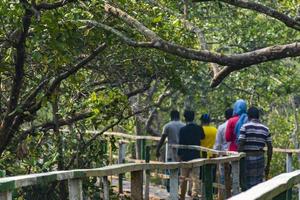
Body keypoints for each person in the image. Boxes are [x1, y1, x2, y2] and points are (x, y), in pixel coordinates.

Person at [238, 107, 273, 189]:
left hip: (247, 158)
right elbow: (270, 148)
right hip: (260, 159)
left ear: (248, 116)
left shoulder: (245, 127)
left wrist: (239, 160)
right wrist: (268, 164)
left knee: (246, 184)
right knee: (258, 185)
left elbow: (240, 144)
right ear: (258, 116)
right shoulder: (265, 129)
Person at [178, 110, 205, 200]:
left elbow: (181, 144)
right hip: (196, 155)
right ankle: (195, 195)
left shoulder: (182, 130)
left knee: (183, 177)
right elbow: (203, 136)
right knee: (195, 178)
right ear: (193, 117)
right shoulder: (198, 128)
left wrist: (179, 156)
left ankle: (181, 195)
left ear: (185, 118)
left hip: (185, 156)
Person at [156, 110, 185, 192]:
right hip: (181, 152)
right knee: (179, 171)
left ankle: (170, 190)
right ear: (179, 116)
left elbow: (162, 139)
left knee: (170, 170)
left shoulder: (167, 126)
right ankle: (176, 189)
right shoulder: (184, 125)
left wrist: (157, 150)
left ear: (171, 116)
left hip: (171, 152)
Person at [213, 108, 233, 199]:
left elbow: (217, 145)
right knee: (234, 178)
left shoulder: (221, 127)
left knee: (223, 179)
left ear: (225, 116)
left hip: (224, 155)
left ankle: (223, 197)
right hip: (235, 155)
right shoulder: (237, 125)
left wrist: (214, 156)